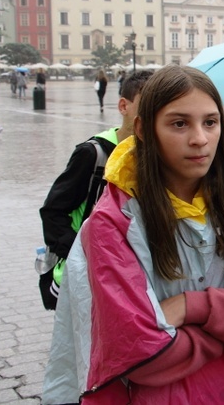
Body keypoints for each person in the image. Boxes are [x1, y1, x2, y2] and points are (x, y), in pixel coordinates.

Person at [43, 65, 224, 404]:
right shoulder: (113, 221)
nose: (199, 138)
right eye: (179, 123)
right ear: (143, 128)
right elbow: (139, 352)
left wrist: (186, 307)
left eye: (210, 122)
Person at [38, 70, 153, 310]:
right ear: (124, 106)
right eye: (147, 105)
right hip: (86, 274)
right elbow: (53, 211)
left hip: (133, 276)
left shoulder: (156, 156)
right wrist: (81, 254)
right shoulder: (93, 154)